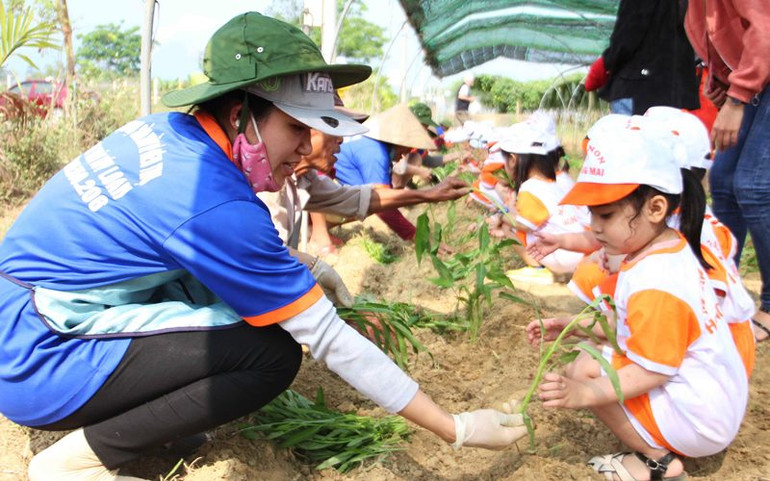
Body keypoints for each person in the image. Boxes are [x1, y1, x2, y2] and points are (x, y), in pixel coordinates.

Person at [0, 13, 527, 481]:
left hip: (22, 319)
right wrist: (453, 426)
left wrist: (307, 266)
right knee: (270, 354)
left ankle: (148, 425)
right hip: (38, 358)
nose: (305, 147)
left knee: (237, 311)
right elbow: (326, 338)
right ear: (239, 116)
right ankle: (78, 459)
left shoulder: (167, 134)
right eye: (295, 127)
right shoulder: (211, 196)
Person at [527, 127, 748, 481]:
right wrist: (571, 326)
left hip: (702, 424)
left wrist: (586, 393)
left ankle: (657, 461)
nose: (594, 228)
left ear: (656, 208)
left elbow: (653, 370)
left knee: (582, 369)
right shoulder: (667, 247)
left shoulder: (655, 281)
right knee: (591, 349)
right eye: (592, 215)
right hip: (715, 403)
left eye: (606, 216)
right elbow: (632, 326)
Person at [685, 0, 770, 342]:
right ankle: (722, 289)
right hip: (758, 82)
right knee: (721, 181)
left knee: (753, 185)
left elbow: (765, 29)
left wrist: (737, 98)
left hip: (761, 80)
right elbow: (716, 40)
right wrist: (717, 78)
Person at [496, 124, 590, 285]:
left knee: (508, 226)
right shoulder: (564, 177)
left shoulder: (531, 187)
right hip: (584, 249)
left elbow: (524, 225)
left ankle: (537, 268)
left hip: (562, 257)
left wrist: (502, 217)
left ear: (513, 159)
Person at [333, 103, 439, 243]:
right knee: (370, 204)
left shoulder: (376, 146)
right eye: (409, 145)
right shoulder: (375, 154)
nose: (407, 152)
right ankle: (318, 231)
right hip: (317, 196)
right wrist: (419, 238)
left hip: (330, 189)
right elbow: (382, 204)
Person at [583, 0, 700, 115]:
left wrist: (606, 63)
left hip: (640, 89)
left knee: (631, 132)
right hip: (679, 91)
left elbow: (627, 36)